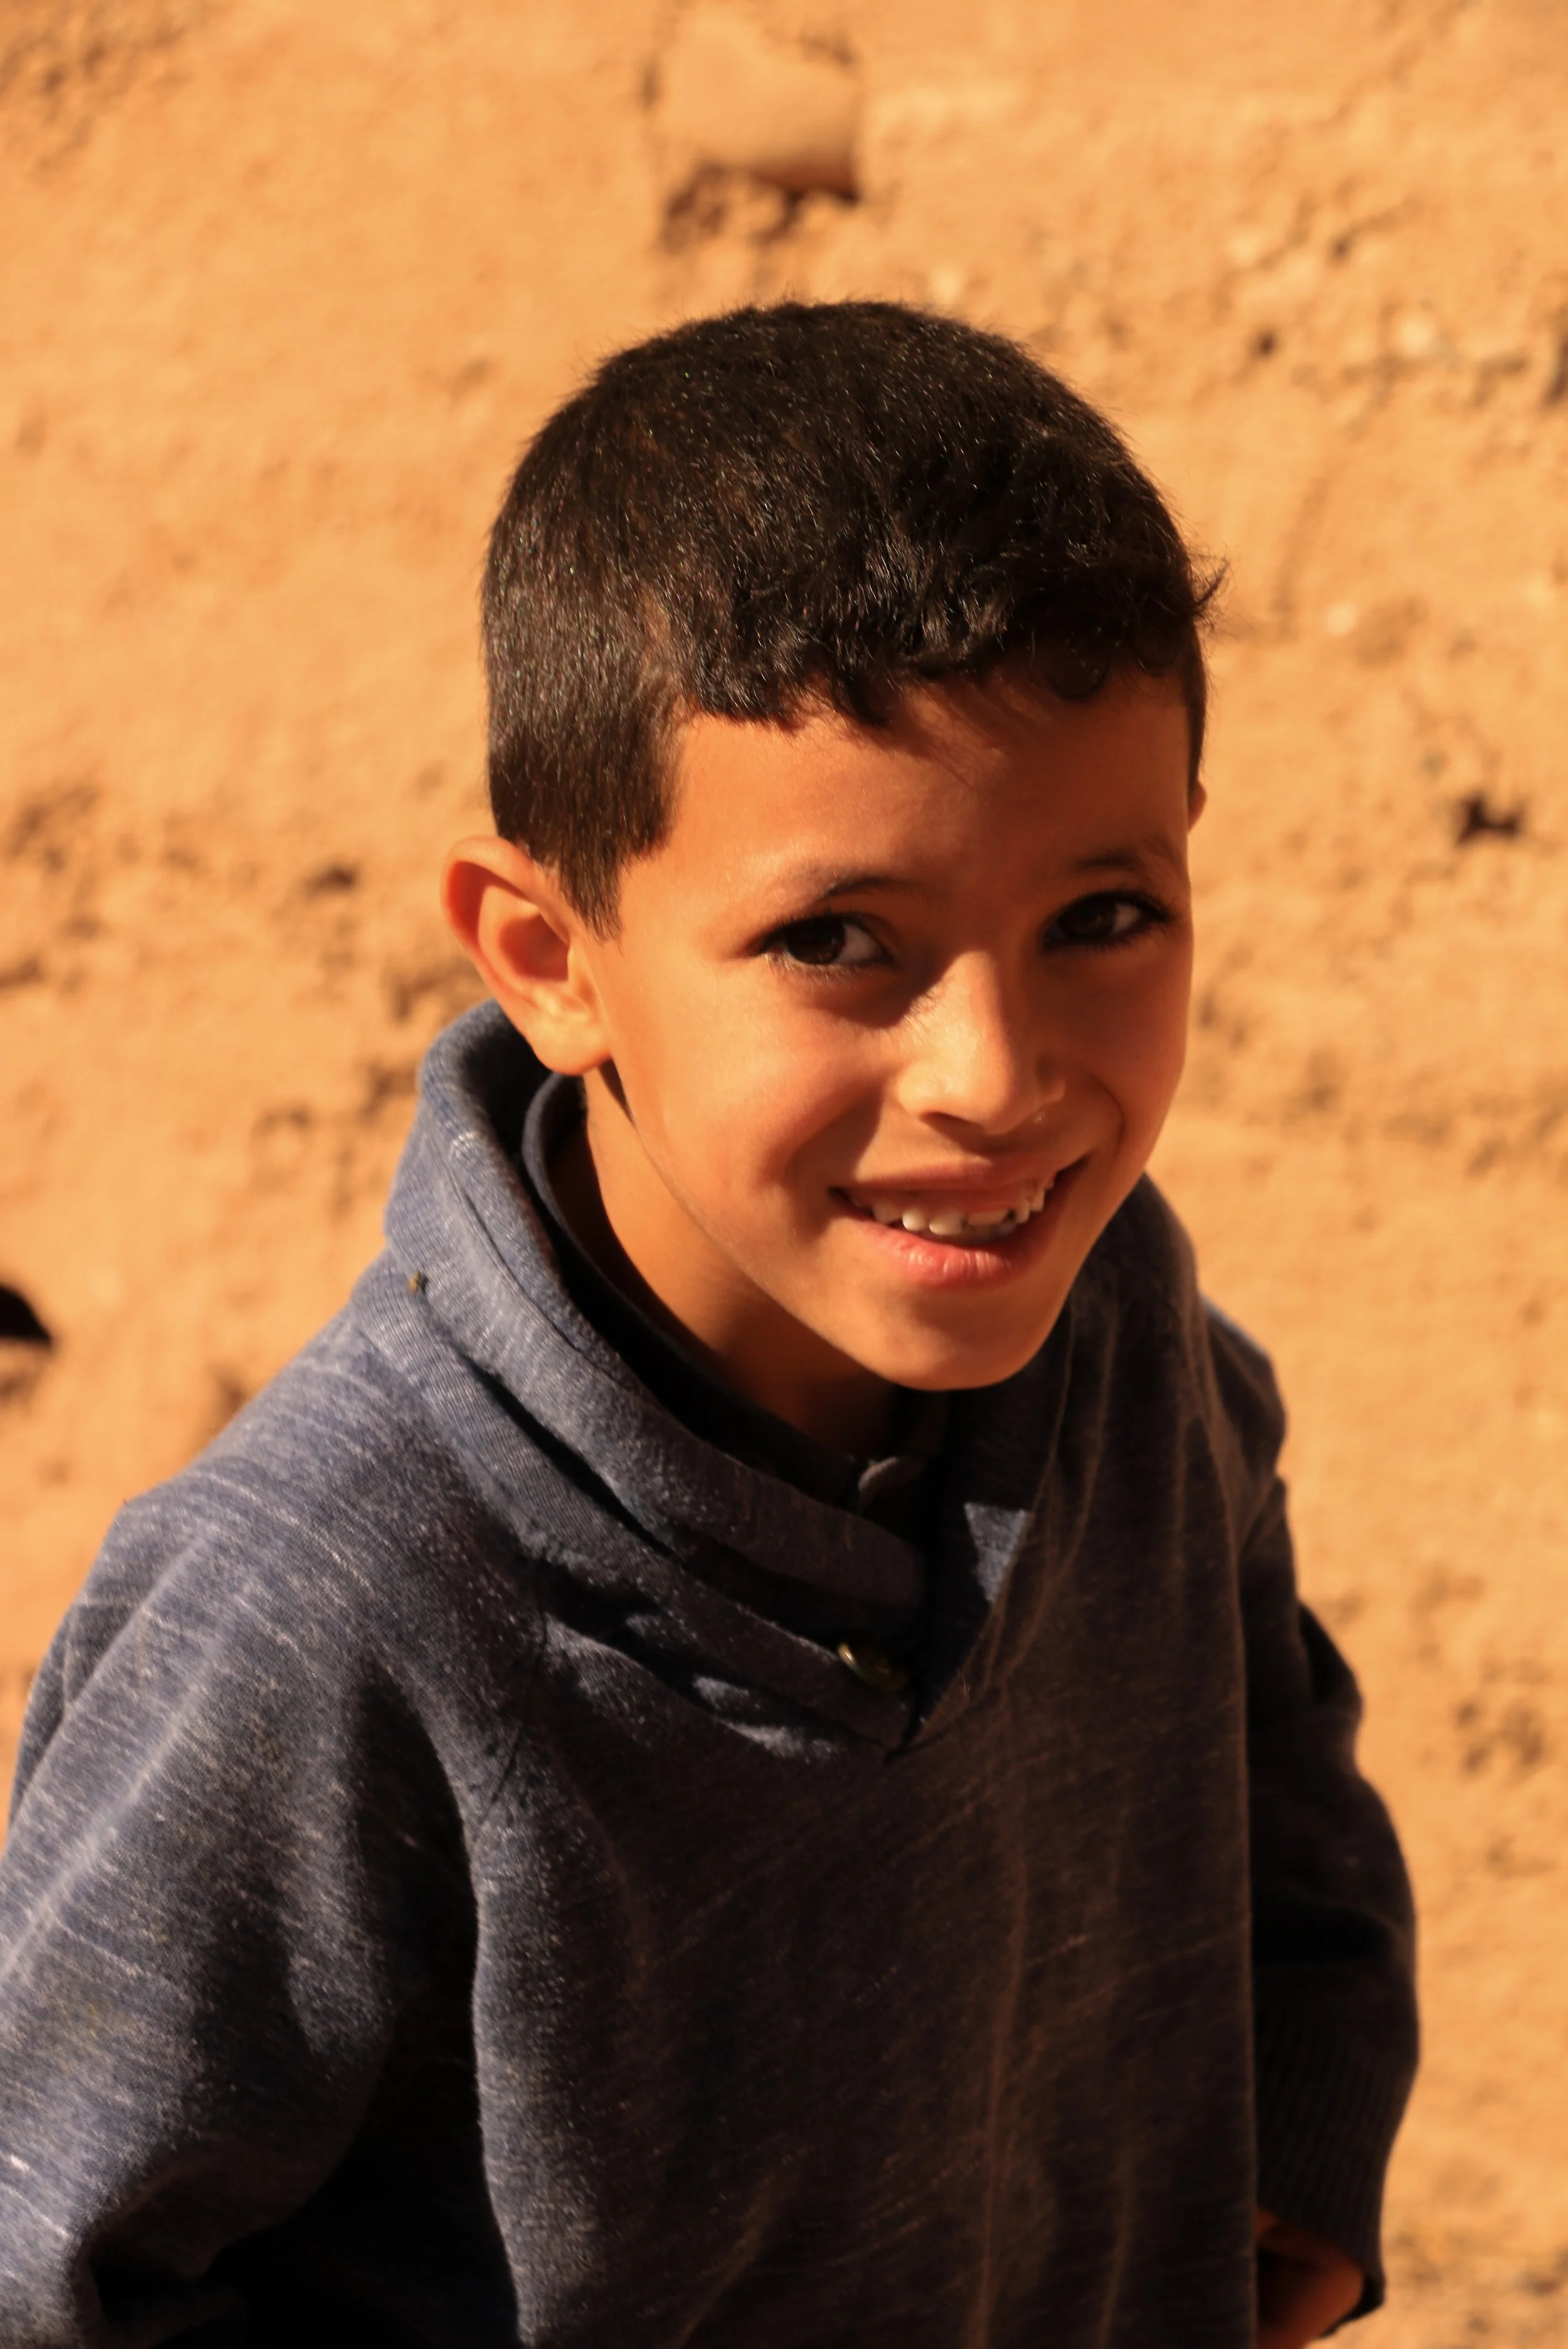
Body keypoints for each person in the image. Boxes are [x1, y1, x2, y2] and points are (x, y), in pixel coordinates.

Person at [0, 302, 1416, 2348]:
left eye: (1100, 916)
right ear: (549, 958)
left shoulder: (1118, 1329)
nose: (992, 1075)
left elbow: (1264, 1705)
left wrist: (1295, 2116)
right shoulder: (328, 1604)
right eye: (838, 940)